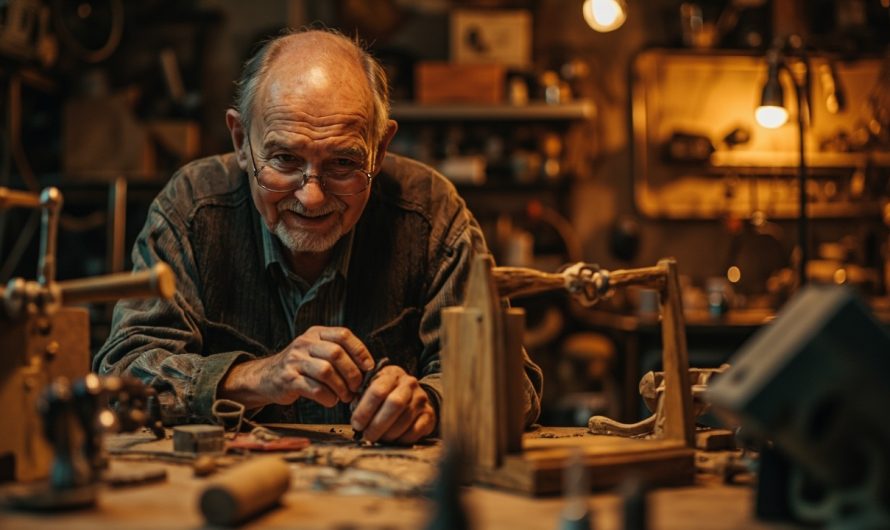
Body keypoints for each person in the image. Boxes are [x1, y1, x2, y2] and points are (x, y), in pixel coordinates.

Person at [95, 28, 542, 445]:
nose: (311, 198)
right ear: (240, 141)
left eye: (343, 164)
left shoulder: (430, 212)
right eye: (285, 159)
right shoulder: (192, 208)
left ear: (380, 148)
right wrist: (256, 377)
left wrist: (432, 403)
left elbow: (511, 386)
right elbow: (124, 382)